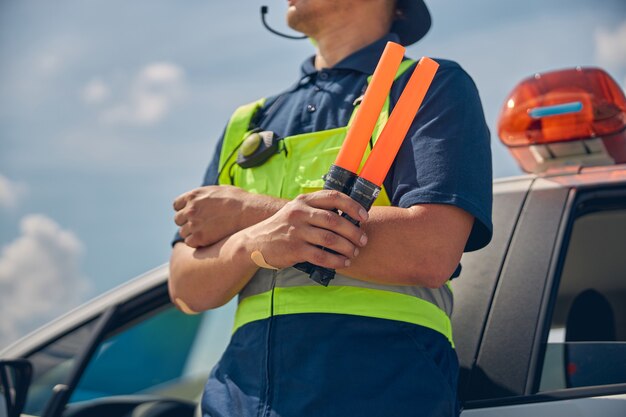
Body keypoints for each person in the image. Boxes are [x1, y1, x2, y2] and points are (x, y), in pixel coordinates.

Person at [169, 0, 492, 416]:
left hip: (379, 398)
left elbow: (430, 249)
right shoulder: (248, 122)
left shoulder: (428, 85)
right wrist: (250, 242)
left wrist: (249, 212)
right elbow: (185, 288)